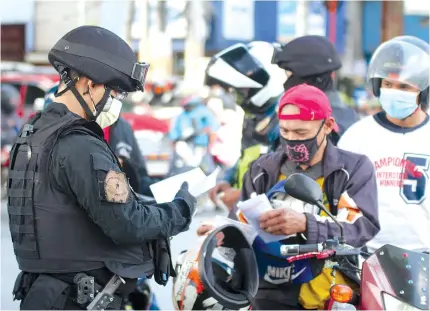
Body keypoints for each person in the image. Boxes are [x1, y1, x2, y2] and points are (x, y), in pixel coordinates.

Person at [8, 25, 196, 310]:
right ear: (87, 83)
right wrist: (181, 209)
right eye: (116, 92)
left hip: (48, 294)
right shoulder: (80, 144)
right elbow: (127, 224)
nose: (117, 102)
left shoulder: (32, 132)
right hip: (82, 299)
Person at [198, 84, 380, 310]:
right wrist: (219, 232)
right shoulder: (262, 169)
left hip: (328, 293)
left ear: (328, 126)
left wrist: (305, 224)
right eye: (285, 132)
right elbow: (240, 221)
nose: (293, 140)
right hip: (268, 289)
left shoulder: (353, 168)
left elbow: (361, 227)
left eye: (301, 133)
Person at [338, 36, 430, 253]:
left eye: (405, 87)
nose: (395, 91)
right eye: (388, 84)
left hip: (424, 256)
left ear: (423, 92)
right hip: (365, 254)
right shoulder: (357, 136)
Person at [205, 41, 285, 211]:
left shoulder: (284, 119)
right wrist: (227, 180)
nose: (237, 96)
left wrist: (243, 193)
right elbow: (245, 160)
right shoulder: (255, 117)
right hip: (248, 213)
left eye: (243, 90)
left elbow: (286, 178)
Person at [43, 82, 157, 196]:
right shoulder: (49, 140)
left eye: (114, 96)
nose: (111, 100)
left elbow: (141, 178)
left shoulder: (122, 127)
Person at [272, 35, 360, 141]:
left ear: (307, 77)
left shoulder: (319, 123)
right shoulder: (349, 116)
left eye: (289, 73)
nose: (286, 81)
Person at [168, 96, 220, 172]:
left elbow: (212, 129)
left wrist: (209, 144)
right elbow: (174, 134)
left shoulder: (203, 112)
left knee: (203, 169)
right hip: (184, 147)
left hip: (200, 146)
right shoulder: (182, 115)